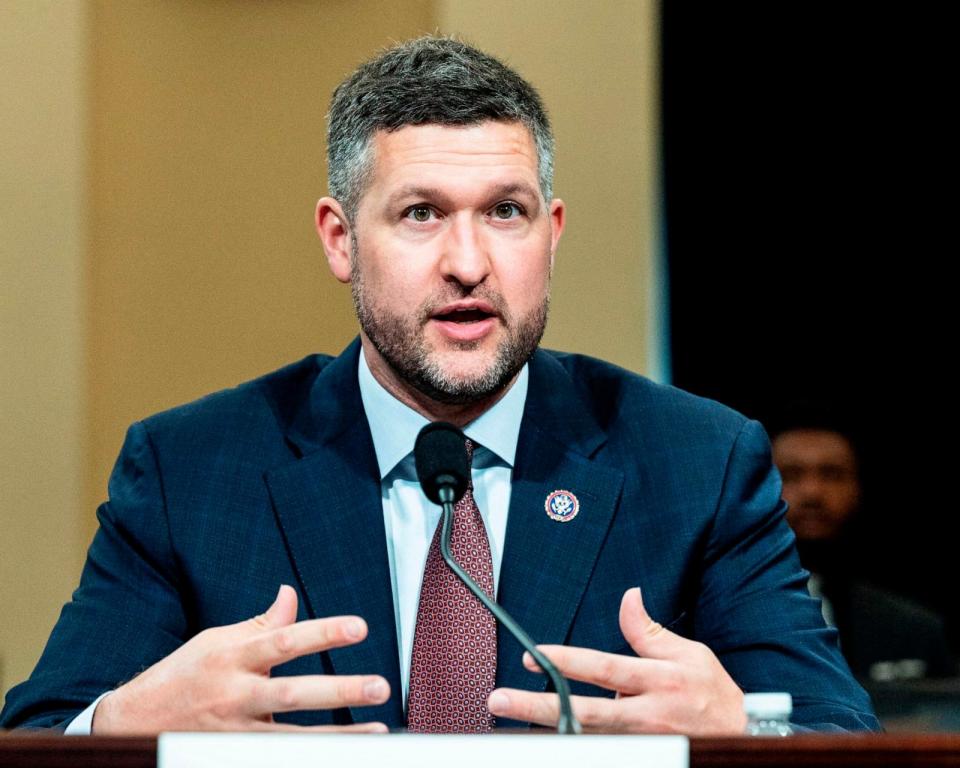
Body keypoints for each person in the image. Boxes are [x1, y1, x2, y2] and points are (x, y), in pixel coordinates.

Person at [0, 36, 878, 734]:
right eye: (421, 213)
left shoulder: (698, 463)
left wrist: (747, 736)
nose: (469, 264)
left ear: (553, 232)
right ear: (340, 239)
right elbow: (38, 735)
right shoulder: (192, 471)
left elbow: (838, 736)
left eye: (506, 211)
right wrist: (121, 727)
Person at [771, 405, 956, 682]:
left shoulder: (913, 629)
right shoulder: (720, 625)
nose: (813, 492)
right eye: (791, 474)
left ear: (858, 487)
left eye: (831, 474)